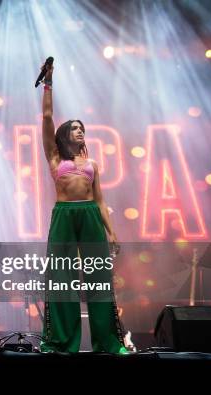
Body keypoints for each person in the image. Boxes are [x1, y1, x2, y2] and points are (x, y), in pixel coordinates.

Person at [38, 62, 129, 354]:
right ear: (65, 135)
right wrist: (49, 85)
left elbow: (100, 200)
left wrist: (111, 232)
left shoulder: (92, 165)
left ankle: (109, 343)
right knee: (61, 279)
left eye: (82, 129)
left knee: (99, 279)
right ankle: (61, 343)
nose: (80, 132)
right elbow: (47, 116)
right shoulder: (54, 157)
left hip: (90, 213)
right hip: (64, 215)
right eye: (75, 128)